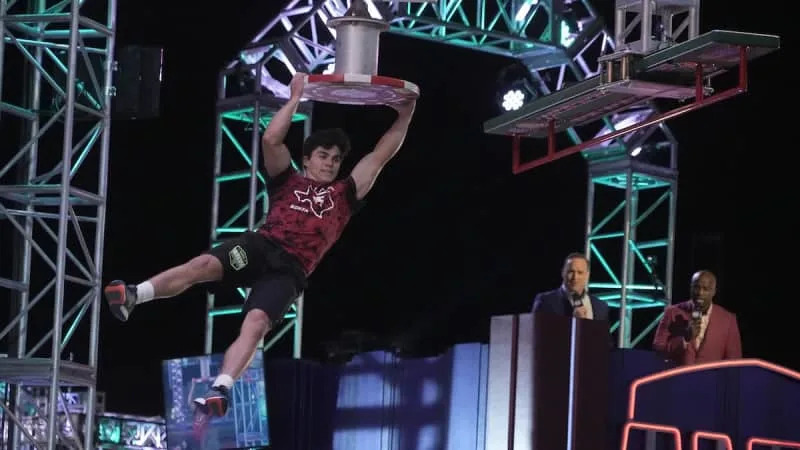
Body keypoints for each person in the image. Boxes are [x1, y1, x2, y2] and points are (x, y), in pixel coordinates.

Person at [103, 72, 417, 418]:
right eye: (323, 155)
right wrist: (295, 98)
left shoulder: (344, 195)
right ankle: (133, 294)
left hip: (289, 271)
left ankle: (221, 389)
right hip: (260, 247)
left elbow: (380, 154)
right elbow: (270, 139)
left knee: (255, 324)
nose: (330, 163)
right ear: (307, 159)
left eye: (335, 158)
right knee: (201, 266)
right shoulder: (287, 179)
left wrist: (404, 115)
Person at [652, 270, 741, 365]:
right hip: (679, 374)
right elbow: (658, 349)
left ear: (714, 292)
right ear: (690, 288)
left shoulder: (728, 320)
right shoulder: (672, 312)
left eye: (705, 289)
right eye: (696, 287)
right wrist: (685, 339)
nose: (700, 293)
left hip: (711, 375)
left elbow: (734, 362)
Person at [531, 252, 609, 322]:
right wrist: (574, 321)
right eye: (571, 272)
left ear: (587, 275)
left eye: (580, 272)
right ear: (563, 273)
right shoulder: (545, 301)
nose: (575, 277)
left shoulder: (601, 306)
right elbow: (536, 331)